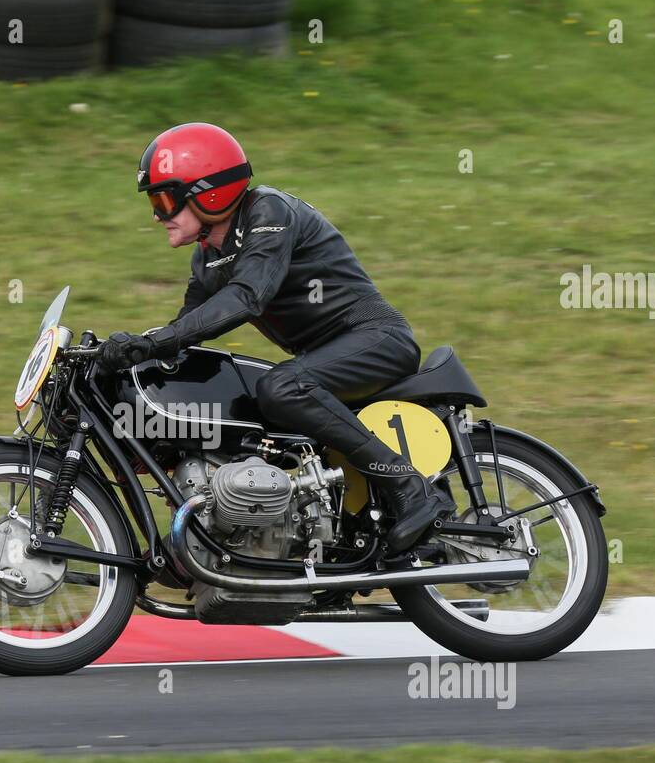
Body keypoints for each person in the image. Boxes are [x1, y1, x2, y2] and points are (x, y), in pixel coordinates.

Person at [98, 122, 453, 552]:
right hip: (324, 358)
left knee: (280, 386)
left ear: (207, 193)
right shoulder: (207, 257)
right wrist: (124, 356)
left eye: (165, 200)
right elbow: (188, 328)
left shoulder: (268, 212)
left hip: (375, 336)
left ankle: (410, 488)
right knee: (244, 402)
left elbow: (247, 297)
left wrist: (155, 343)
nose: (157, 215)